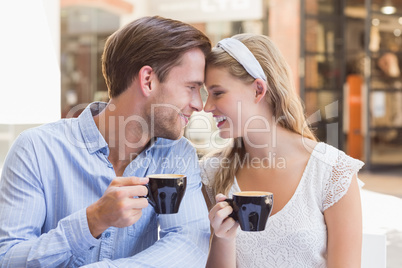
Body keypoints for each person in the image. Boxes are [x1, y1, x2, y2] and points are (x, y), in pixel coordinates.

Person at [0, 16, 211, 267]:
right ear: (148, 81)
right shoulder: (36, 149)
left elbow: (189, 244)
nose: (200, 104)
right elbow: (7, 258)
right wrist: (93, 220)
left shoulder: (177, 154)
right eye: (191, 87)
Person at [200, 34, 364, 267]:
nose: (207, 107)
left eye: (217, 93)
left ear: (258, 90)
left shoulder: (332, 172)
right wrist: (223, 239)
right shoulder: (212, 174)